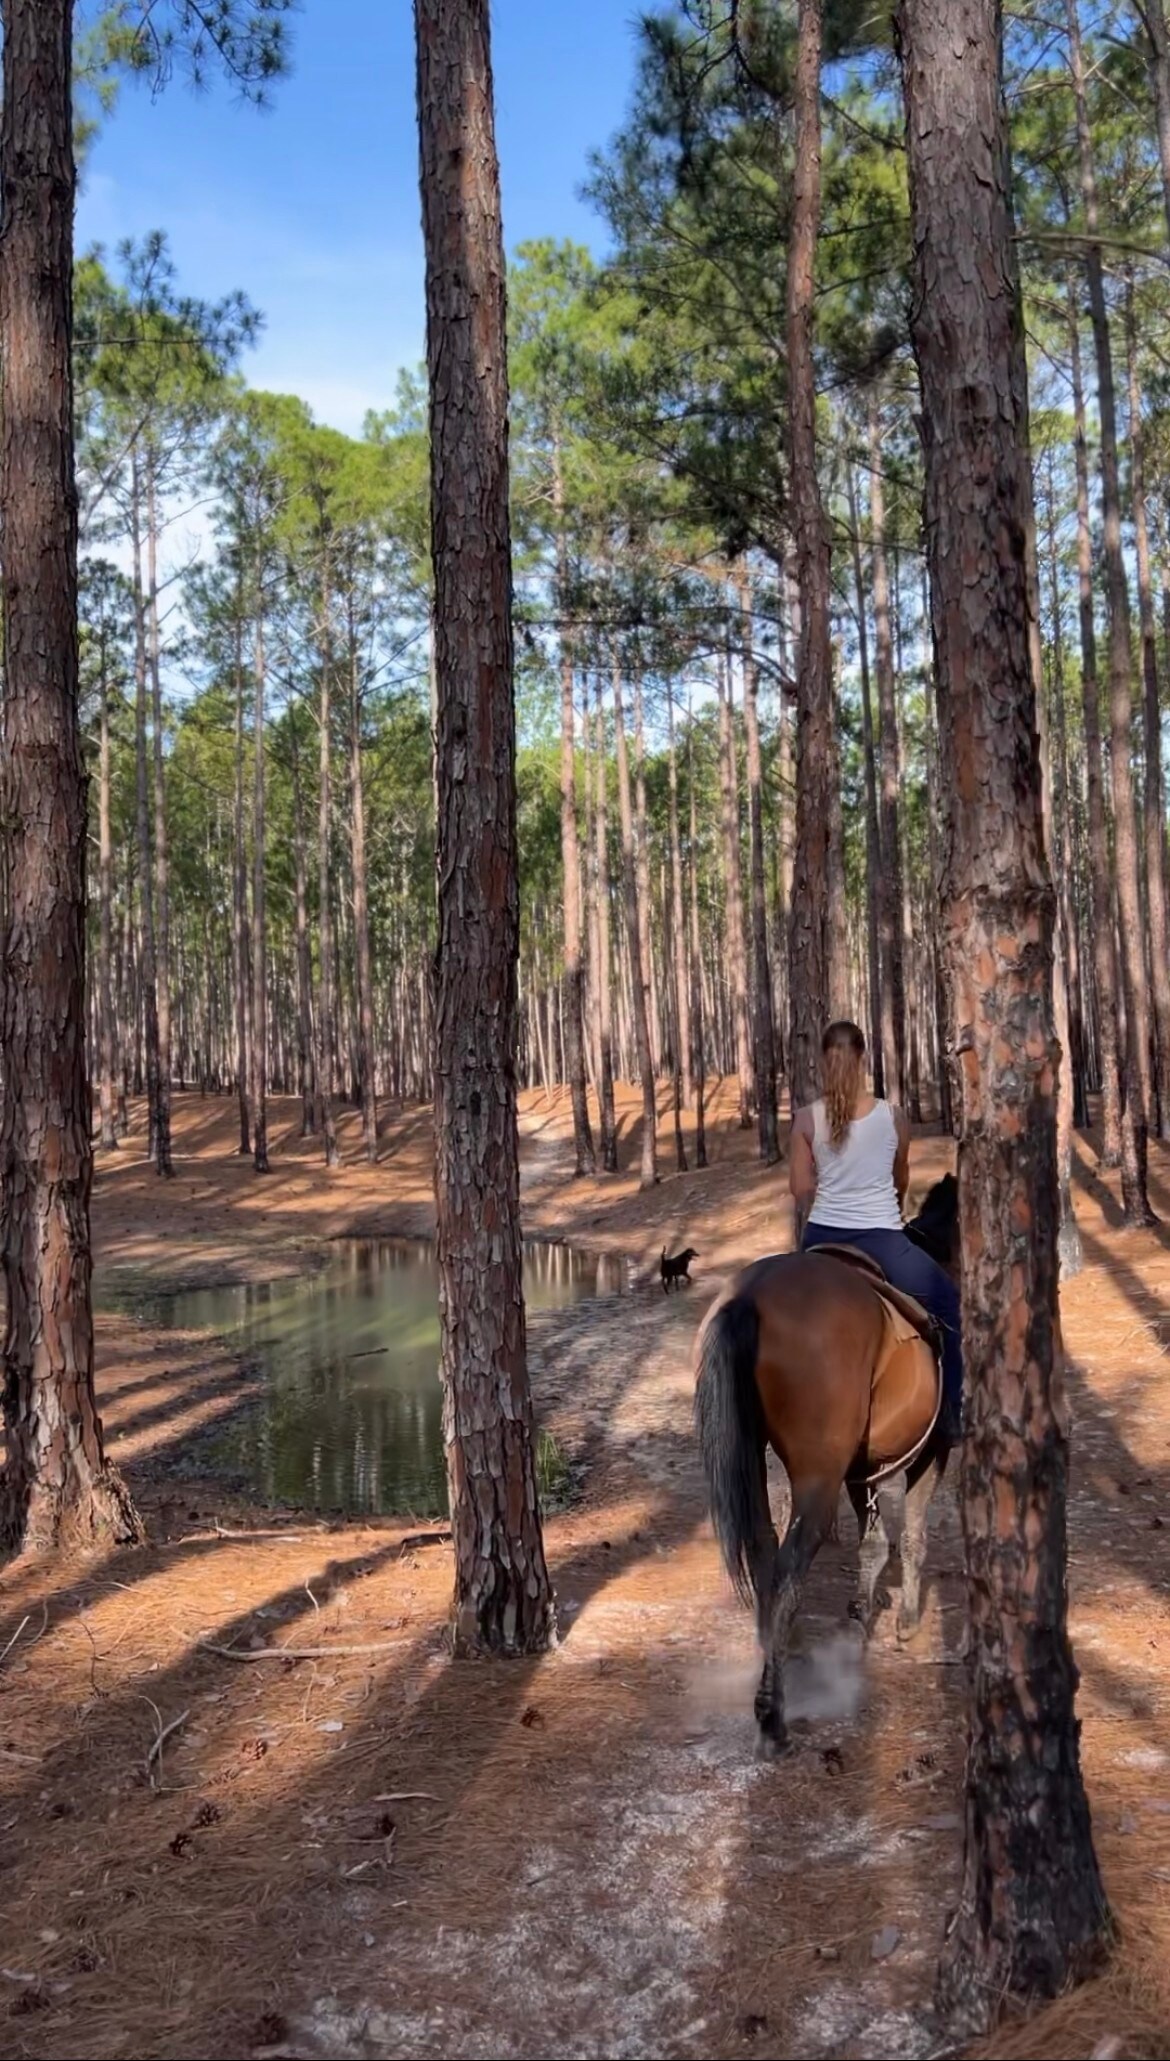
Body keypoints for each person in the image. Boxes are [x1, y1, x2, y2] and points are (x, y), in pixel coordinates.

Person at [789, 1019, 962, 1441]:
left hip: (819, 1239)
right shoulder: (894, 1117)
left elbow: (800, 1189)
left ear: (823, 1064)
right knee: (951, 1306)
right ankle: (952, 1417)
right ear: (863, 1059)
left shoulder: (806, 1120)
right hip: (882, 1240)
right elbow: (900, 1180)